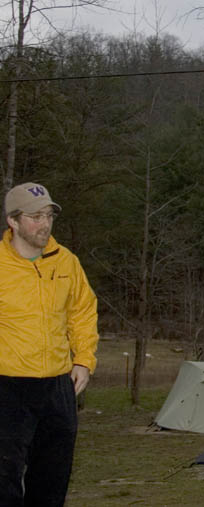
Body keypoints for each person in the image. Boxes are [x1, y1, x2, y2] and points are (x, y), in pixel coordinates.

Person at [0, 182, 98, 506]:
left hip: (58, 389)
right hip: (8, 388)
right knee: (5, 483)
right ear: (13, 221)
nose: (44, 224)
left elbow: (82, 312)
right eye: (35, 217)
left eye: (48, 215)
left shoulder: (66, 262)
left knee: (52, 482)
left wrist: (83, 360)